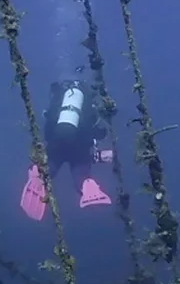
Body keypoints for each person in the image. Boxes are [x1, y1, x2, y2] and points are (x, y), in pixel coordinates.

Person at [20, 78, 114, 220]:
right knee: (81, 172)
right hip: (79, 146)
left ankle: (37, 174)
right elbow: (94, 131)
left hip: (57, 143)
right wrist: (95, 150)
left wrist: (52, 141)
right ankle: (88, 185)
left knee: (49, 166)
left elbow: (48, 130)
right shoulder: (87, 104)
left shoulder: (57, 104)